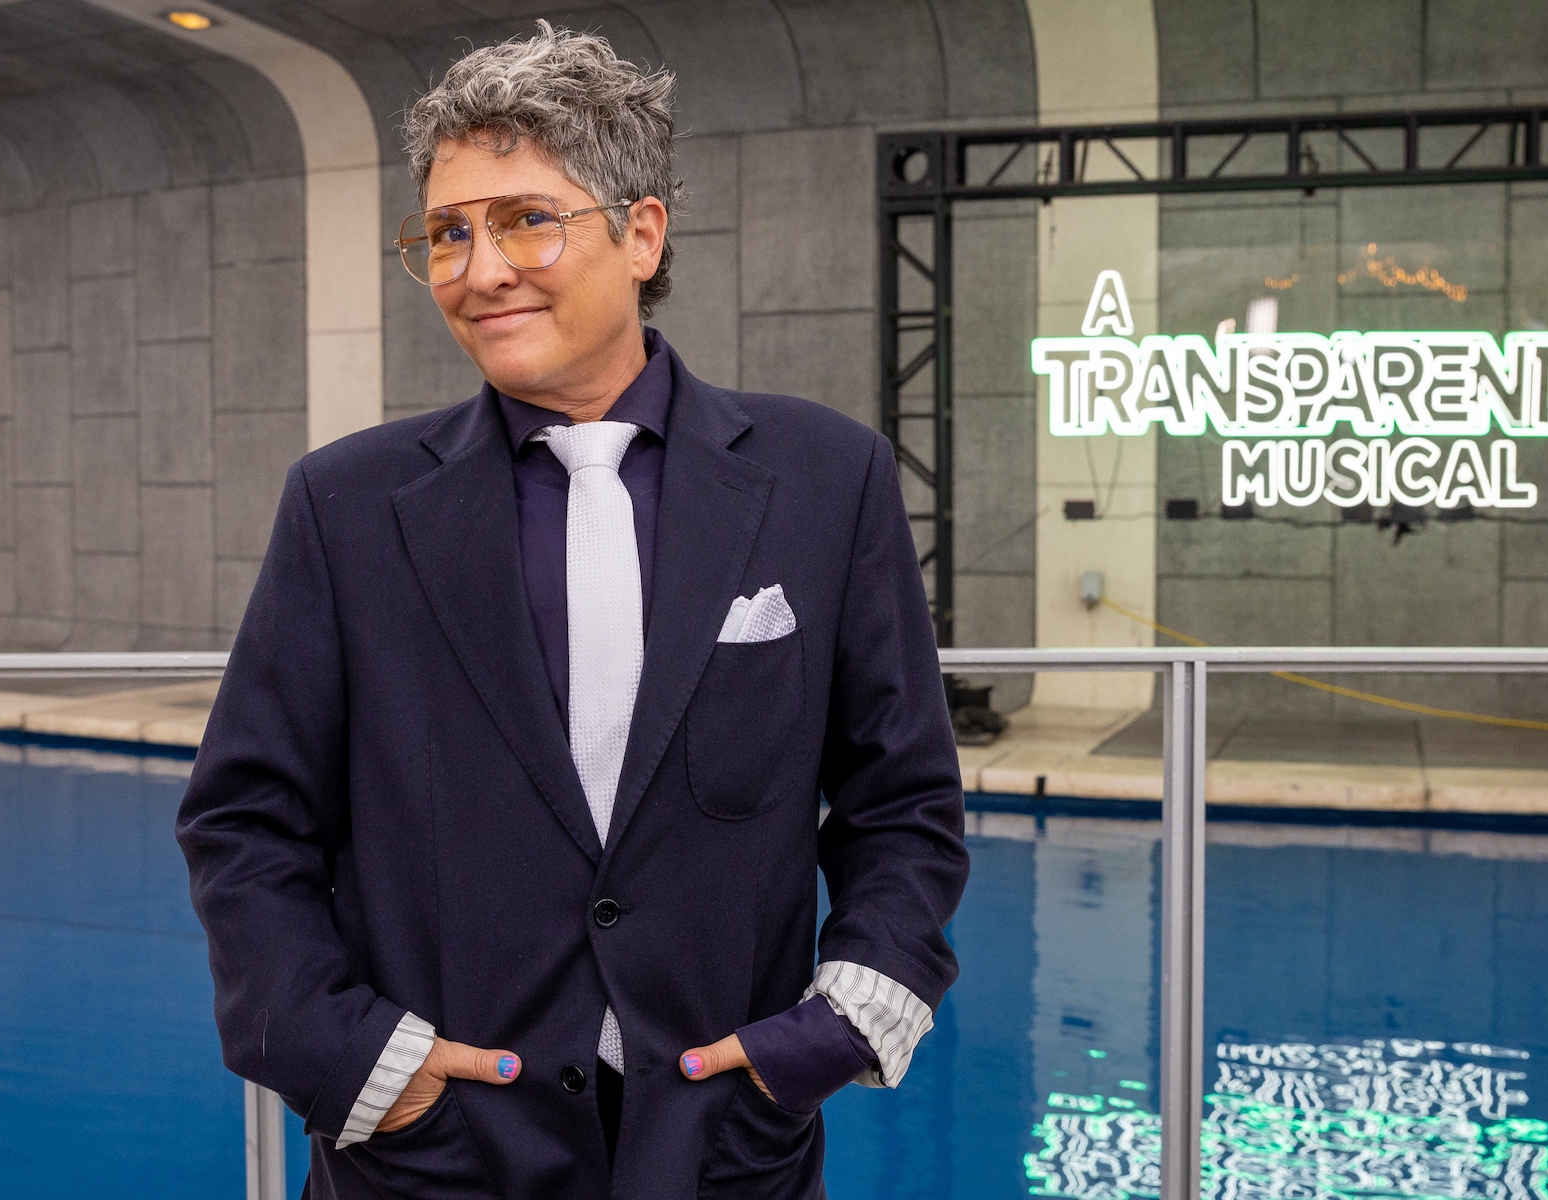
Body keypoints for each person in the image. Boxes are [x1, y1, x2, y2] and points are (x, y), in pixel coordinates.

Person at [177, 22, 967, 1199]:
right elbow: (246, 825)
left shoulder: (825, 478)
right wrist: (358, 1064)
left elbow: (900, 804)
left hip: (724, 1150)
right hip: (430, 1160)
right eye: (448, 232)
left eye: (524, 219)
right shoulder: (345, 506)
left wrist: (832, 1032)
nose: (477, 269)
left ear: (641, 233)